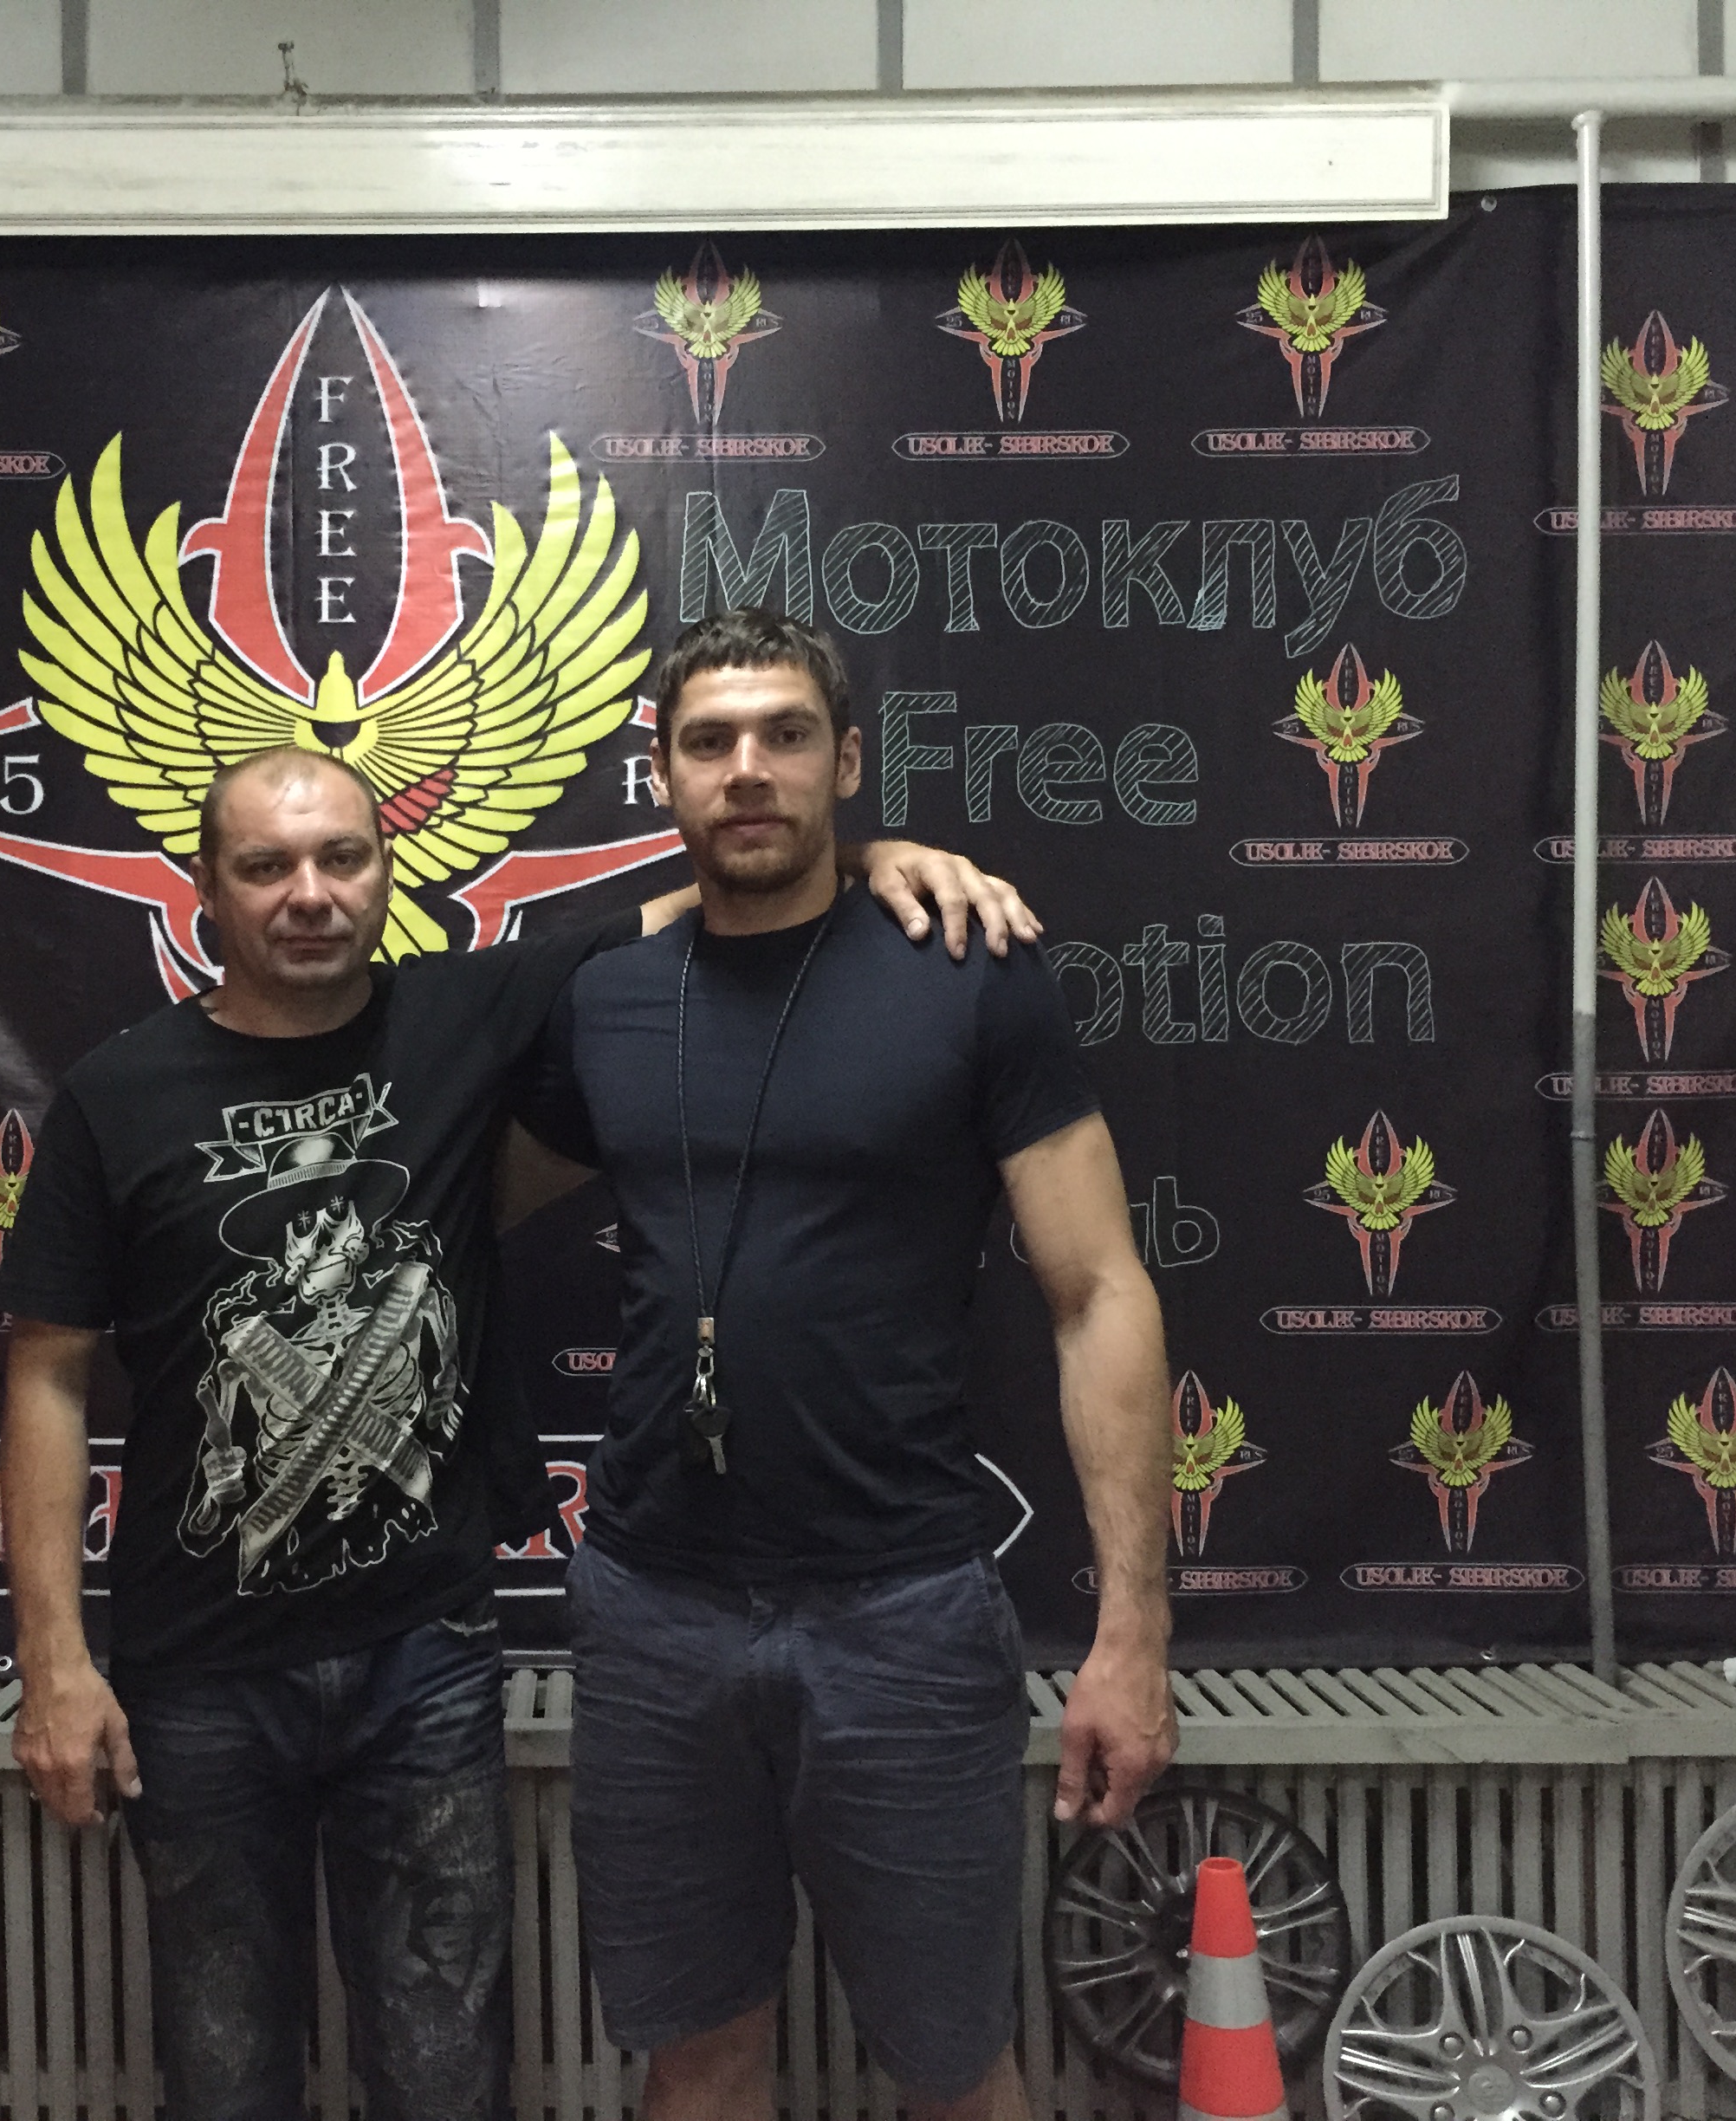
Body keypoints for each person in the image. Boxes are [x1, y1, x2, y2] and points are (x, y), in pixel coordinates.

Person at [0, 738, 1036, 2121]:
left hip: (422, 1656)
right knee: (224, 2069)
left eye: (342, 859)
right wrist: (53, 1664)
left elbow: (714, 890)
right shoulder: (116, 1096)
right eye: (266, 867)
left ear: (387, 870)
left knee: (446, 2073)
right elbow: (48, 1380)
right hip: (199, 1674)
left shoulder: (461, 1014)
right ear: (206, 890)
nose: (310, 894)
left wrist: (864, 856)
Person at [514, 609, 1177, 2121]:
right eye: (709, 742)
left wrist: (1132, 1633)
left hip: (903, 1609)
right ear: (662, 775)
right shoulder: (604, 997)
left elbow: (1098, 1295)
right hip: (655, 1611)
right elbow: (445, 1184)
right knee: (695, 2057)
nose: (748, 770)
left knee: (951, 2064)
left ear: (850, 760)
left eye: (787, 736)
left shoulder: (968, 971)